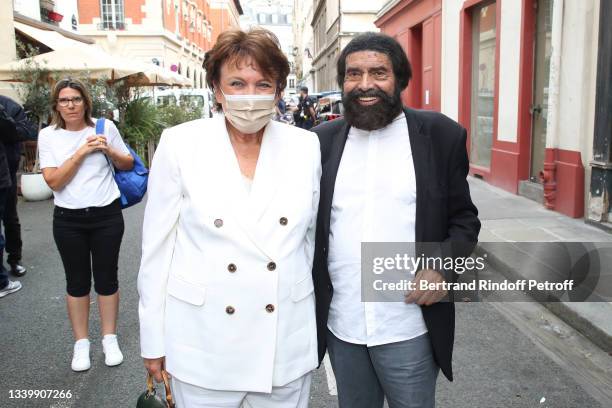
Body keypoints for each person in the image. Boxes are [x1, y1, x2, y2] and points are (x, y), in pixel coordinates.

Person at [138, 28, 321, 407]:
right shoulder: (180, 144)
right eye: (237, 83)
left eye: (263, 83)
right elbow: (156, 252)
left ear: (279, 90)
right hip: (203, 343)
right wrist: (153, 339)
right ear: (217, 91)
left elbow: (310, 241)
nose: (250, 96)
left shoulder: (306, 147)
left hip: (283, 342)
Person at [311, 33, 481, 408]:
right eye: (353, 74)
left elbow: (464, 219)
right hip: (343, 326)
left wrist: (441, 266)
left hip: (409, 325)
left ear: (400, 80)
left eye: (378, 72)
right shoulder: (320, 142)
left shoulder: (440, 135)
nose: (365, 84)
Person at [38, 78, 134, 372]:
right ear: (56, 105)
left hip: (106, 215)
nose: (70, 105)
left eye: (76, 99)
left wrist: (108, 150)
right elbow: (54, 181)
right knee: (77, 282)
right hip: (68, 219)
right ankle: (81, 344)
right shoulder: (48, 136)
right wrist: (81, 152)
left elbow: (128, 163)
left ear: (85, 102)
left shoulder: (104, 128)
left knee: (107, 279)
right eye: (64, 100)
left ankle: (109, 337)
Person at [0, 95, 34, 298]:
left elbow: (26, 131)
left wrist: (5, 120)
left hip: (8, 172)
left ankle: (15, 259)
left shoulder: (9, 105)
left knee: (10, 218)